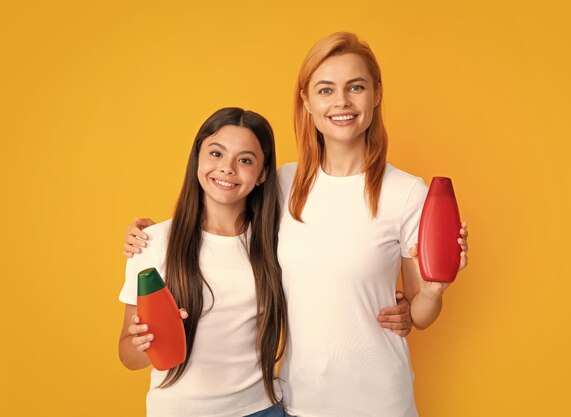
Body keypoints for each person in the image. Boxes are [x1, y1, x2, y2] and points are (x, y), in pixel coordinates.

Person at [124, 33, 468, 416]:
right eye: (325, 90)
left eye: (356, 87)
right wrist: (153, 238)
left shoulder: (407, 193)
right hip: (298, 401)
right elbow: (220, 215)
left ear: (376, 94)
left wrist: (433, 293)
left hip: (379, 400)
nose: (341, 102)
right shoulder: (282, 185)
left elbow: (418, 316)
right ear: (306, 100)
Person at [118, 107, 291, 417]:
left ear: (263, 174)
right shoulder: (152, 242)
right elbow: (128, 356)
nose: (227, 168)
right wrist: (149, 340)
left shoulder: (277, 243)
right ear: (197, 157)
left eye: (245, 160)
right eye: (216, 153)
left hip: (262, 408)